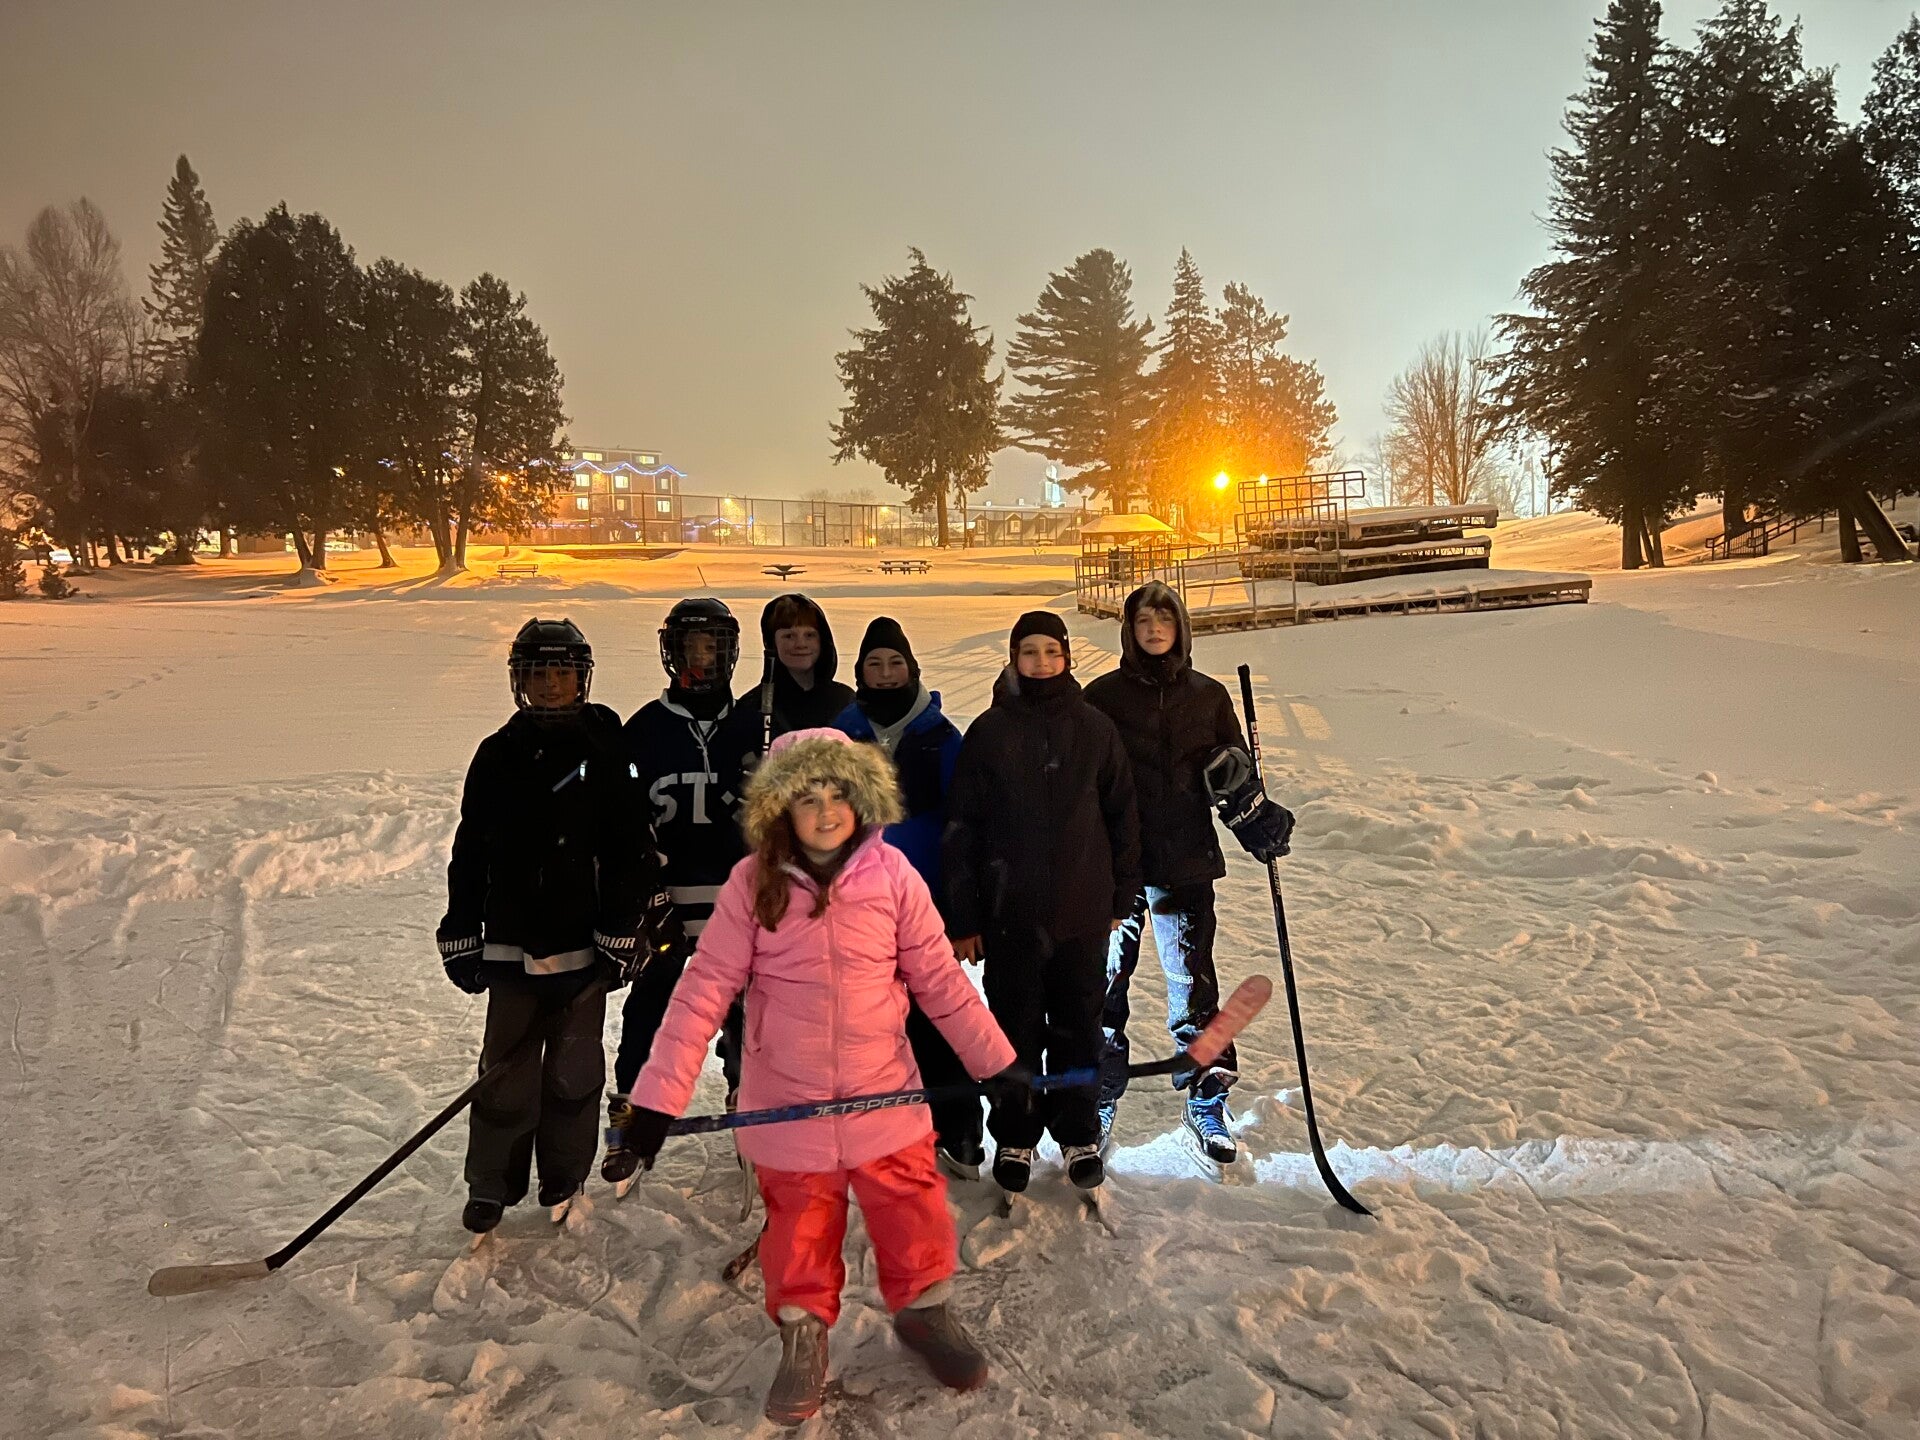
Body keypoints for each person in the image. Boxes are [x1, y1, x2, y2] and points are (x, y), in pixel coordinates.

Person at [605, 729, 1027, 1426]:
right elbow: (701, 995)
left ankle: (925, 1311)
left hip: (882, 1092)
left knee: (913, 1208)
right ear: (780, 808)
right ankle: (803, 1333)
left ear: (861, 799)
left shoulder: (894, 878)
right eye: (808, 798)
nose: (827, 811)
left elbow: (941, 982)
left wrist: (997, 1064)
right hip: (788, 1101)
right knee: (799, 1228)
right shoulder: (753, 885)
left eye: (838, 793)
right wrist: (655, 1103)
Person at [436, 618, 670, 1234]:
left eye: (561, 672)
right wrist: (460, 926)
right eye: (538, 673)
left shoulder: (605, 746)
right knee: (505, 1071)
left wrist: (622, 927)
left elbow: (629, 847)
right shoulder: (497, 753)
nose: (550, 685)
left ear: (581, 678)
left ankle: (564, 1174)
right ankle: (492, 1183)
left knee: (573, 1069)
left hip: (582, 945)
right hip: (511, 940)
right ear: (519, 679)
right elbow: (471, 849)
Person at [1083, 582, 1296, 1163]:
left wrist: (1257, 820)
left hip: (1184, 859)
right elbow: (1082, 781)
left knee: (1194, 982)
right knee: (1104, 982)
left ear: (1180, 627)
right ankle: (1095, 1094)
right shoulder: (1101, 697)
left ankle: (1207, 1096)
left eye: (1164, 619)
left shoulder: (1208, 696)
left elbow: (1234, 775)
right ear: (1128, 630)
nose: (1154, 629)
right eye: (1143, 620)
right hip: (1117, 865)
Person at [944, 610, 1141, 1195]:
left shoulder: (1095, 728)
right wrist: (965, 917)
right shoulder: (989, 732)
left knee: (1080, 1024)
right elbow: (963, 829)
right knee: (1015, 1029)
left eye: (1051, 651)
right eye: (1029, 652)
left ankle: (1078, 1132)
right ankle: (1016, 1134)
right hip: (1010, 916)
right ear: (1014, 659)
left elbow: (1122, 816)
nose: (1041, 662)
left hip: (1082, 912)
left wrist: (1120, 894)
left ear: (1067, 657)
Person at [608, 598, 760, 1177]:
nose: (701, 659)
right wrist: (640, 892)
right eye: (691, 647)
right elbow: (623, 824)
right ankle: (632, 1111)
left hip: (739, 901)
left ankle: (749, 1093)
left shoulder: (753, 723)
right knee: (653, 1008)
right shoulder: (645, 730)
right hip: (668, 905)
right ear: (670, 652)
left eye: (711, 647)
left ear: (729, 653)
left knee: (751, 1010)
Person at [831, 617, 981, 1178]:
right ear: (860, 672)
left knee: (937, 1017)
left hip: (925, 901)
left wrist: (961, 911)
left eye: (895, 662)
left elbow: (963, 826)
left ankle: (959, 1130)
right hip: (859, 905)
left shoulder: (940, 736)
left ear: (912, 668)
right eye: (875, 664)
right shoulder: (843, 734)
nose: (886, 673)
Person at [754, 593, 856, 744]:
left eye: (809, 635)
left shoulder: (845, 702)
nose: (800, 644)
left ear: (822, 640)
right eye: (789, 636)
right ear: (772, 643)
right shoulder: (755, 707)